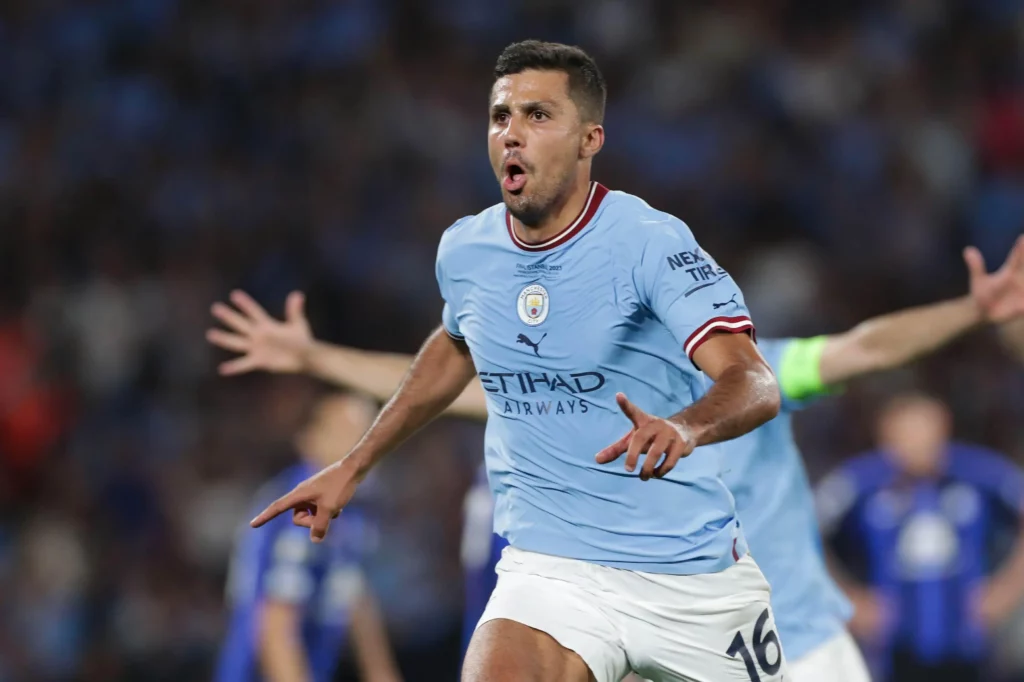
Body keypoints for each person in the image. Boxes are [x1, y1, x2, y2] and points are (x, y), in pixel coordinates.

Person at [208, 233, 1024, 681]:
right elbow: (439, 381)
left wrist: (971, 311)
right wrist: (319, 360)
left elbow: (866, 347)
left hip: (795, 646)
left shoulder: (757, 368)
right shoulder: (587, 392)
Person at [234, 40, 789, 682]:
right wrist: (354, 465)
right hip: (551, 570)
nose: (512, 135)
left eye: (538, 115)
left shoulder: (650, 244)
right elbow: (455, 348)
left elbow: (754, 381)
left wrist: (684, 427)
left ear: (589, 139)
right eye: (501, 117)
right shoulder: (467, 250)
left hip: (690, 577)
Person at [816, 393, 1024, 682]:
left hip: (971, 645)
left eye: (926, 431)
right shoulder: (857, 483)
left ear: (944, 429)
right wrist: (843, 599)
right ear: (886, 436)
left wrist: (1008, 587)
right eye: (907, 433)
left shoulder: (980, 474)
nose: (919, 443)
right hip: (891, 650)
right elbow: (803, 532)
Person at [214, 393, 403, 682]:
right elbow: (275, 627)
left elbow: (355, 596)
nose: (361, 444)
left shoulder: (356, 508)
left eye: (369, 432)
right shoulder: (299, 508)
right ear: (310, 440)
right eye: (346, 432)